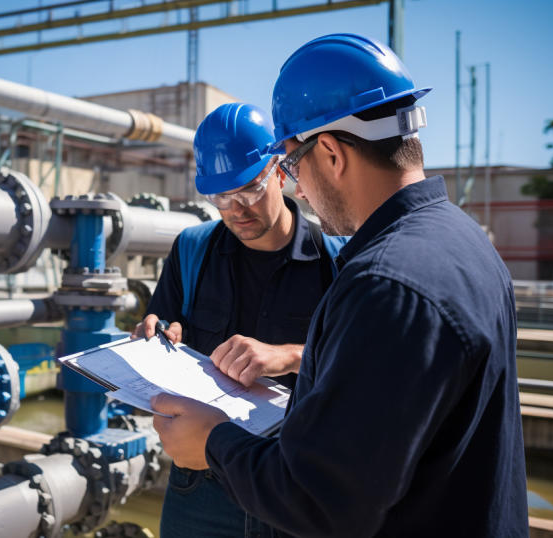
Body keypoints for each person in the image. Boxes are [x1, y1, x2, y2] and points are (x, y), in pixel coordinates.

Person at [151, 34, 529, 537]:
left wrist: (213, 442)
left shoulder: (387, 282)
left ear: (330, 152)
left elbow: (322, 501)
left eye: (291, 166)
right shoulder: (463, 242)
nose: (300, 188)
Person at [132, 102, 348, 537]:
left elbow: (363, 367)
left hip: (295, 487)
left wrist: (289, 355)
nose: (236, 209)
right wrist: (153, 340)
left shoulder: (338, 261)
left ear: (281, 171)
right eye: (220, 197)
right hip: (202, 484)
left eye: (249, 190)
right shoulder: (192, 251)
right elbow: (162, 338)